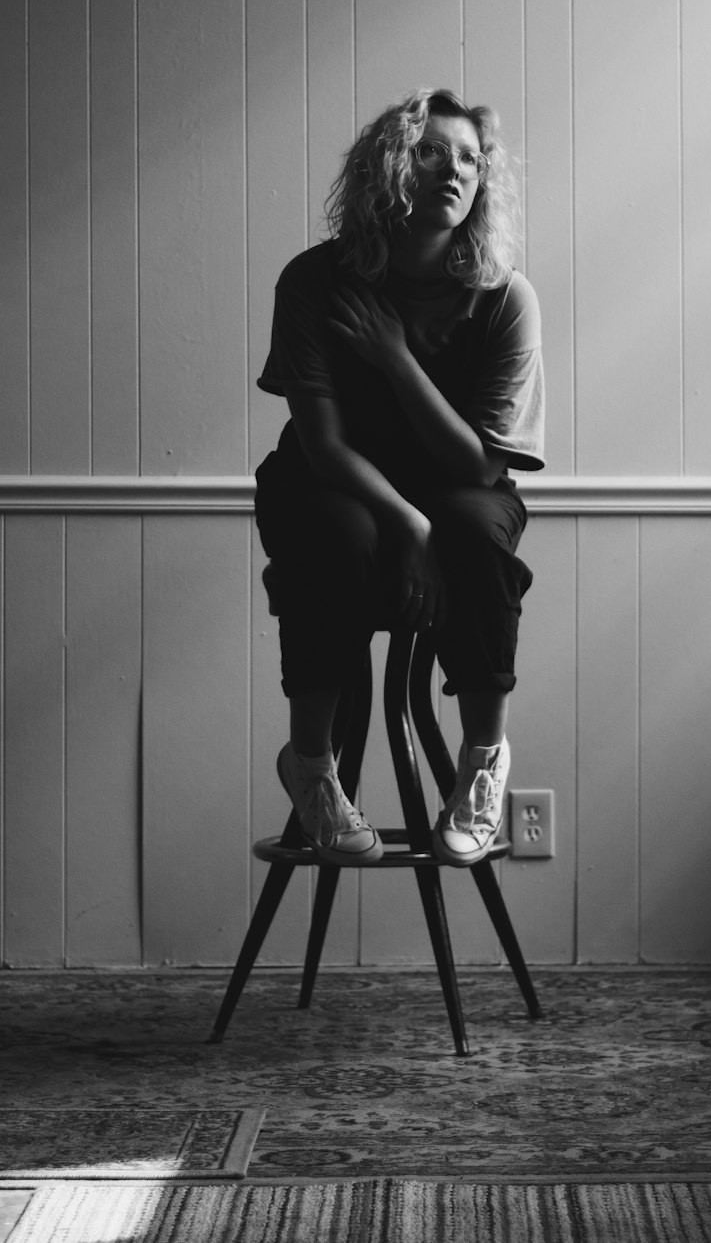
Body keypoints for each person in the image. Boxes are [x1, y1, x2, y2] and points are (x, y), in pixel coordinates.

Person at [254, 87, 544, 870]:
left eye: (471, 159)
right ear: (389, 168)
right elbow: (322, 446)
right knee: (334, 533)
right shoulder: (314, 283)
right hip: (333, 482)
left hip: (456, 484)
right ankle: (311, 766)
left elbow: (478, 464)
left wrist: (392, 354)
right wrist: (405, 523)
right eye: (431, 150)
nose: (454, 169)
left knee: (476, 529)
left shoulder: (505, 297)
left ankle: (482, 763)